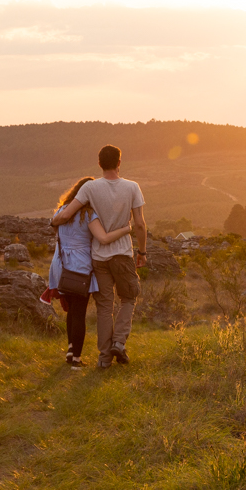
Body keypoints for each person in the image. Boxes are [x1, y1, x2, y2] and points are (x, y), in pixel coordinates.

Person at [51, 145, 146, 368]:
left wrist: (53, 221)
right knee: (129, 297)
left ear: (99, 164)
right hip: (122, 253)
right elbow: (140, 224)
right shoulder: (132, 187)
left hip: (98, 258)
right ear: (119, 163)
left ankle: (104, 359)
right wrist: (142, 252)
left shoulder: (90, 188)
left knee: (104, 306)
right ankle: (119, 343)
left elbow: (65, 214)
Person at [46, 177, 133, 370]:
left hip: (61, 265)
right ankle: (76, 359)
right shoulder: (88, 215)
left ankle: (70, 349)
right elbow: (102, 238)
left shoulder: (61, 212)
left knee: (70, 309)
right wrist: (126, 229)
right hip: (80, 267)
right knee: (79, 312)